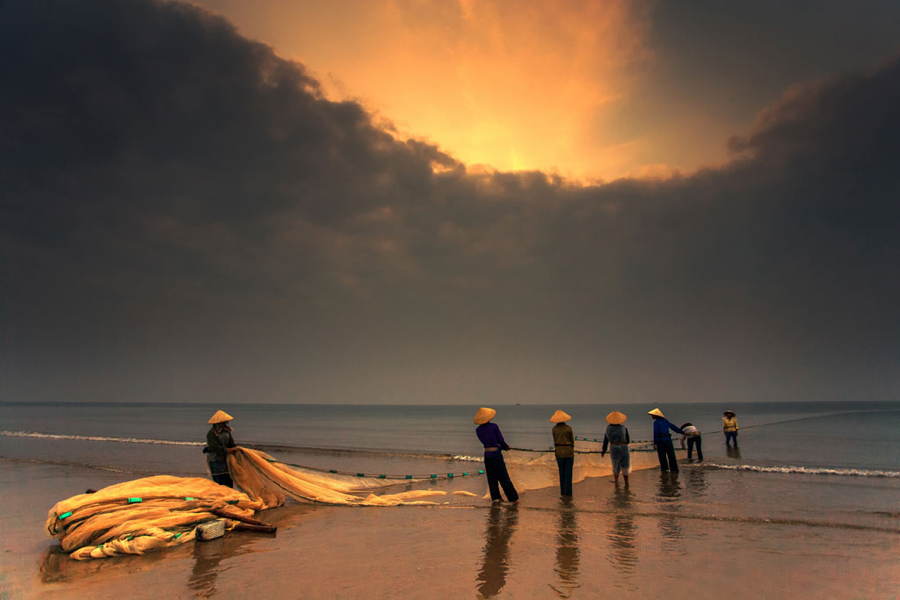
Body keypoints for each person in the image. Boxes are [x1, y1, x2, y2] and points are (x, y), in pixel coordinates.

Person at [474, 407, 519, 503]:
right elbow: (500, 440)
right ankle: (512, 498)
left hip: (487, 454)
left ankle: (496, 498)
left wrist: (499, 445)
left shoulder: (478, 430)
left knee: (492, 478)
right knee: (503, 477)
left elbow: (487, 441)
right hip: (496, 454)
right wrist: (506, 447)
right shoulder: (494, 426)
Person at [204, 410, 237, 487]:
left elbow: (231, 443)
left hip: (226, 459)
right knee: (220, 481)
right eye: (223, 422)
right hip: (215, 460)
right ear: (217, 423)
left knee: (228, 480)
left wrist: (235, 449)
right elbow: (214, 447)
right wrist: (227, 450)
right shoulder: (211, 433)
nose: (225, 424)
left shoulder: (227, 431)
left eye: (225, 422)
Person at [648, 408, 683, 473]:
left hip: (660, 441)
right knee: (671, 455)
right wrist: (681, 432)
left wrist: (655, 443)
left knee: (662, 456)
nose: (651, 416)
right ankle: (674, 469)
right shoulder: (665, 421)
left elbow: (655, 433)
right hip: (668, 440)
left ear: (656, 415)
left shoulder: (656, 422)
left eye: (652, 415)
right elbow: (673, 427)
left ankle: (665, 469)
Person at [601, 411, 631, 485]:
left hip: (614, 447)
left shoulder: (608, 429)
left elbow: (606, 441)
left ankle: (616, 481)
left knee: (615, 464)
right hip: (624, 447)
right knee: (625, 465)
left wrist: (603, 451)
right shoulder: (624, 428)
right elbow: (628, 440)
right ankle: (626, 482)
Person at [549, 410, 574, 497]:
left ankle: (562, 492)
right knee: (568, 473)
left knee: (561, 473)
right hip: (568, 452)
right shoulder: (568, 428)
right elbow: (572, 441)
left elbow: (555, 440)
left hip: (559, 452)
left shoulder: (554, 429)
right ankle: (568, 493)